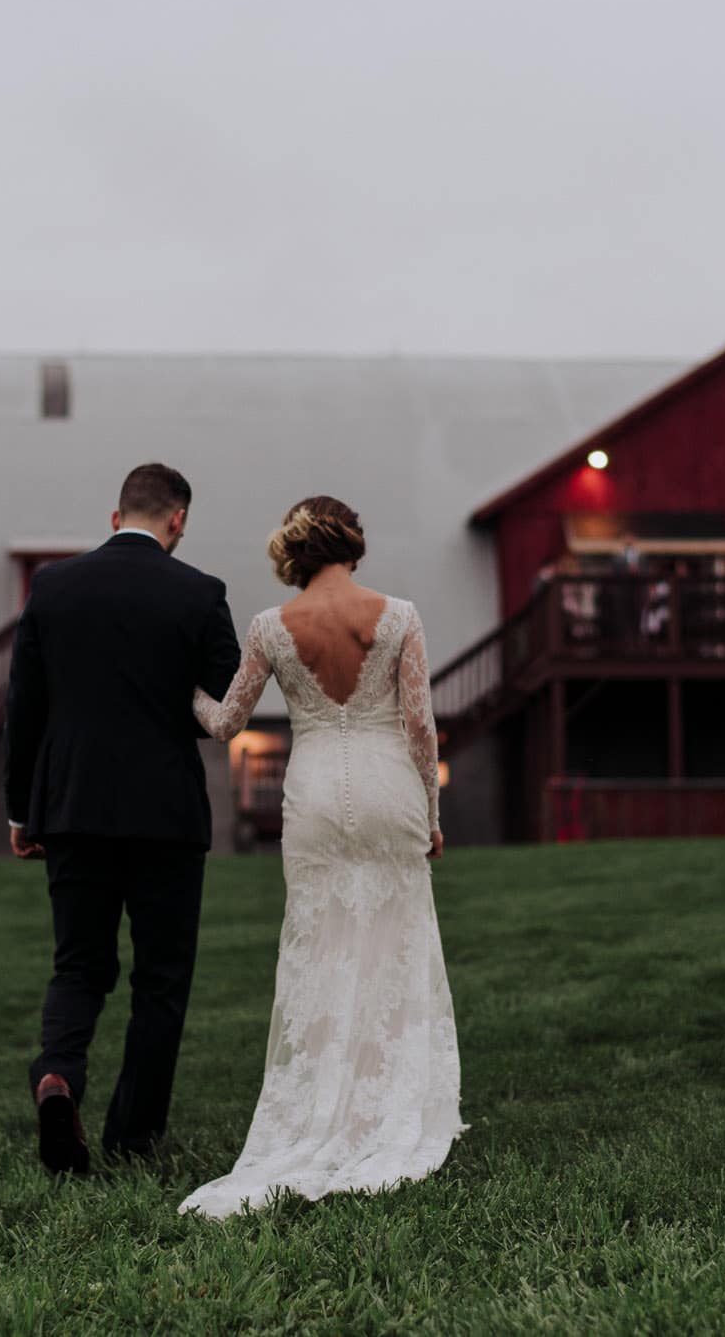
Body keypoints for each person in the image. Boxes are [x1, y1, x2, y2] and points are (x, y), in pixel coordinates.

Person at [179, 496, 465, 1218]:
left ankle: (319, 1105)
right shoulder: (398, 614)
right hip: (387, 785)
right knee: (394, 940)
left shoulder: (271, 627)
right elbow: (420, 725)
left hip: (311, 796)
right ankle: (387, 1103)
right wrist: (431, 815)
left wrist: (184, 687)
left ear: (294, 553)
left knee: (320, 945)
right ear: (353, 543)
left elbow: (225, 723)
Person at [3, 462, 242, 1175]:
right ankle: (131, 1137)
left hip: (72, 806)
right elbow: (226, 697)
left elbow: (25, 707)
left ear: (116, 517)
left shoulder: (53, 587)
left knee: (79, 963)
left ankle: (59, 1076)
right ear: (179, 521)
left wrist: (23, 807)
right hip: (165, 811)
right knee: (161, 977)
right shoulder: (200, 593)